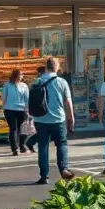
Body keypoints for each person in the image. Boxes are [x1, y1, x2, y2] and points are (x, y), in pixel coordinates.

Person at [32, 57, 76, 185]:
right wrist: (71, 116)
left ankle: (44, 175)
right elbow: (68, 101)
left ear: (46, 67)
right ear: (57, 67)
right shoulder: (61, 82)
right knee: (61, 143)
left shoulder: (38, 81)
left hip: (41, 118)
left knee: (43, 146)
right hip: (58, 118)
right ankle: (64, 169)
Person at [2, 69, 30, 156]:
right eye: (21, 75)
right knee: (17, 129)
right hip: (15, 110)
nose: (22, 76)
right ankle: (18, 147)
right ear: (17, 76)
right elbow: (27, 99)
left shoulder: (22, 85)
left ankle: (19, 147)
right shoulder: (9, 85)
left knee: (19, 129)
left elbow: (4, 98)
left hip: (15, 109)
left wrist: (4, 107)